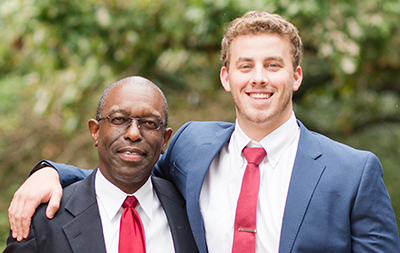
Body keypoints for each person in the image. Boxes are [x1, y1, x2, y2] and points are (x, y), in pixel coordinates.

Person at [8, 11, 400, 253]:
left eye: (273, 65)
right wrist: (54, 173)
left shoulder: (354, 172)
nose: (258, 78)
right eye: (245, 66)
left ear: (296, 76)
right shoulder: (191, 147)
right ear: (226, 77)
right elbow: (128, 172)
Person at [4, 76, 199, 253]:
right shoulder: (41, 223)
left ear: (165, 139)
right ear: (95, 131)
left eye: (149, 123)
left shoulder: (192, 213)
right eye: (119, 120)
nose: (133, 133)